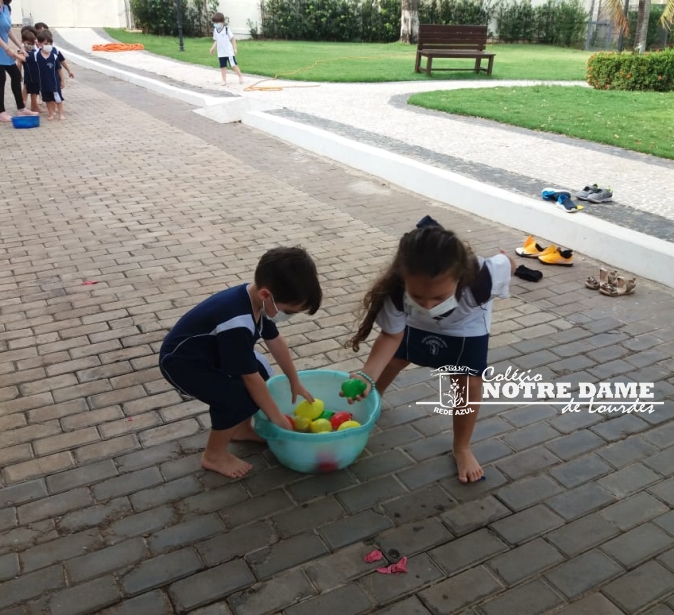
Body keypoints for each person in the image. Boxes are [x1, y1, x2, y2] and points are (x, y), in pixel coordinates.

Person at [343, 216, 515, 483]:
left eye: (439, 297)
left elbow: (509, 264)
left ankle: (462, 447)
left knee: (466, 383)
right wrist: (366, 376)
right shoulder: (395, 291)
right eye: (419, 296)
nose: (430, 304)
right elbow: (390, 336)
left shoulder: (485, 274)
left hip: (466, 327)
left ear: (459, 277)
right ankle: (371, 406)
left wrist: (509, 260)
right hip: (413, 322)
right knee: (393, 361)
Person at [159, 246, 322, 478]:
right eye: (288, 311)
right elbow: (249, 378)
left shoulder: (257, 301)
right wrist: (277, 418)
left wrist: (294, 380)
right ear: (267, 295)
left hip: (211, 354)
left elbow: (274, 340)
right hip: (183, 364)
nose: (288, 316)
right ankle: (213, 455)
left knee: (262, 370)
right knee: (234, 397)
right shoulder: (236, 321)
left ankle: (241, 430)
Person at [0, 0, 39, 122]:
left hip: (4, 51)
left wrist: (20, 46)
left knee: (16, 76)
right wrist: (7, 49)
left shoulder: (6, 8)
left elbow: (9, 29)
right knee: (1, 80)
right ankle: (1, 112)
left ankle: (21, 108)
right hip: (3, 49)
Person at [35, 30, 65, 120]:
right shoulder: (36, 56)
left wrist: (62, 80)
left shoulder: (54, 56)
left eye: (50, 43)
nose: (48, 45)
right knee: (47, 99)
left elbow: (59, 69)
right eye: (46, 43)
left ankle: (60, 114)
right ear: (39, 44)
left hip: (54, 82)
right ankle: (51, 113)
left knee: (58, 99)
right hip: (43, 83)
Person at [209, 12, 243, 85]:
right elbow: (216, 40)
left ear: (222, 22)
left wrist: (235, 48)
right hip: (221, 53)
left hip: (229, 52)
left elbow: (233, 39)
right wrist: (212, 48)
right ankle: (224, 80)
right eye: (214, 22)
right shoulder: (215, 30)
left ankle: (240, 76)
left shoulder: (226, 29)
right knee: (223, 67)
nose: (216, 24)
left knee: (233, 65)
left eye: (217, 22)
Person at [17, 29, 41, 111]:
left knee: (34, 90)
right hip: (30, 74)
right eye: (29, 43)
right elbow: (19, 63)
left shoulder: (33, 49)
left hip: (36, 73)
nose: (31, 45)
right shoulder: (22, 50)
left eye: (32, 43)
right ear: (23, 41)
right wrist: (19, 74)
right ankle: (32, 106)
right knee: (32, 91)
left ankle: (34, 105)